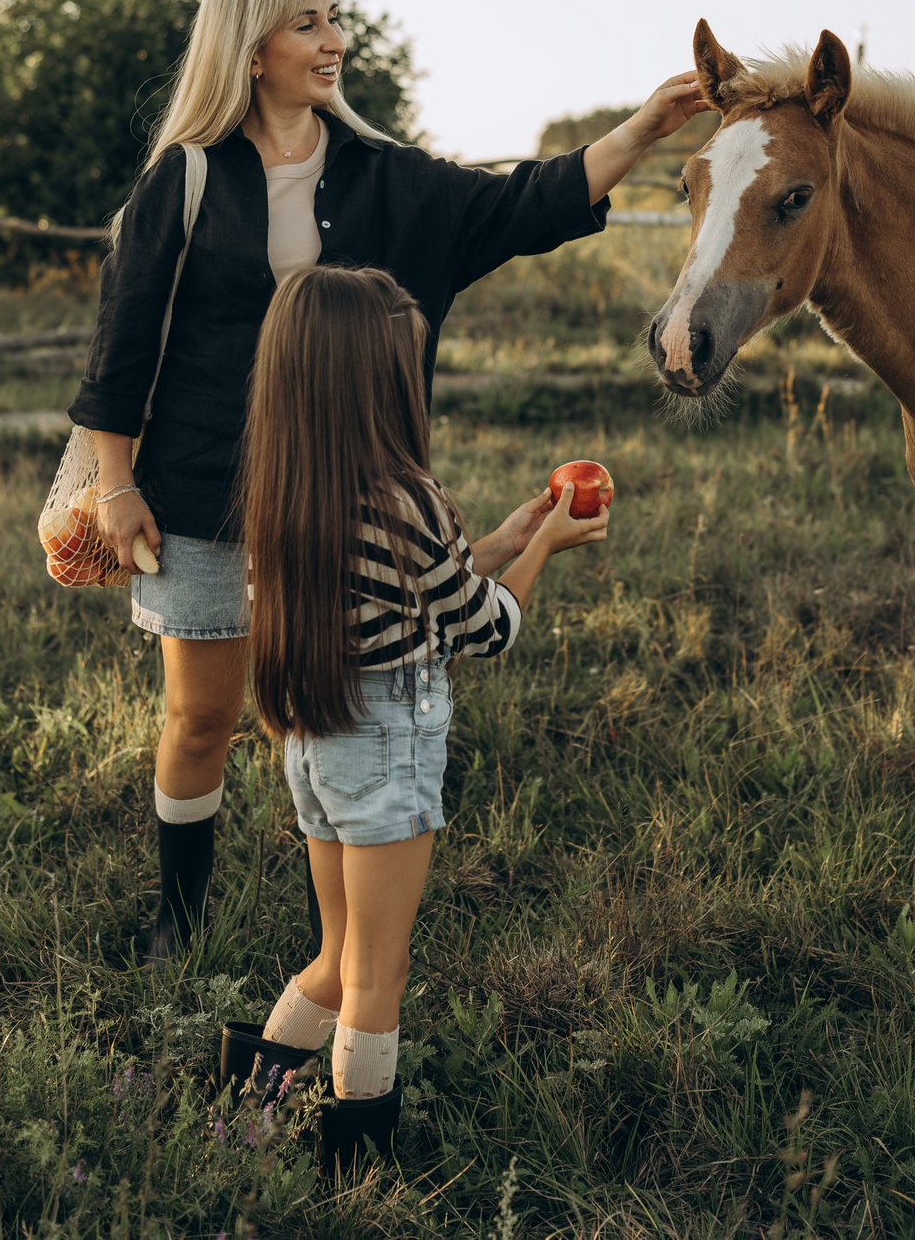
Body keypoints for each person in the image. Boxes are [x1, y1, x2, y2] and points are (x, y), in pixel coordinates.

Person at [67, 0, 700, 962]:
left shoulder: (385, 173)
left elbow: (516, 206)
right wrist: (115, 483)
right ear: (252, 48)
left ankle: (334, 936)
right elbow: (122, 341)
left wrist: (641, 130)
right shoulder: (185, 178)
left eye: (334, 17)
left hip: (340, 499)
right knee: (200, 718)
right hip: (198, 489)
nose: (335, 41)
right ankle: (177, 918)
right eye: (308, 24)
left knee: (309, 712)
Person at [216, 266, 607, 1169]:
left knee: (338, 952)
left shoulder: (285, 493)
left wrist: (502, 539)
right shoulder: (410, 500)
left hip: (317, 744)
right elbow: (484, 625)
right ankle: (356, 1167)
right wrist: (545, 548)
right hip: (385, 748)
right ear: (373, 381)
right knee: (376, 972)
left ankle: (249, 1112)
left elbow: (413, 587)